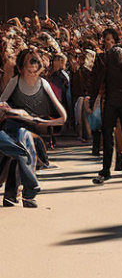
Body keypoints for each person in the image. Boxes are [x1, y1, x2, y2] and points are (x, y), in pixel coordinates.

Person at [0, 48, 66, 207]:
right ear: (21, 69)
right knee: (22, 144)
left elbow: (62, 118)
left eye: (35, 71)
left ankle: (16, 194)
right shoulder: (14, 81)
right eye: (28, 71)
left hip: (33, 128)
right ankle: (26, 193)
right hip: (12, 126)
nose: (31, 75)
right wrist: (12, 110)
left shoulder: (43, 84)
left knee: (23, 147)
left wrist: (38, 121)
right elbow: (1, 103)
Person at [92, 28, 122, 184]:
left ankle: (110, 168)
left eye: (109, 40)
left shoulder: (106, 57)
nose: (107, 43)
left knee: (113, 133)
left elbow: (96, 79)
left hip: (117, 100)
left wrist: (92, 99)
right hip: (120, 99)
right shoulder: (121, 58)